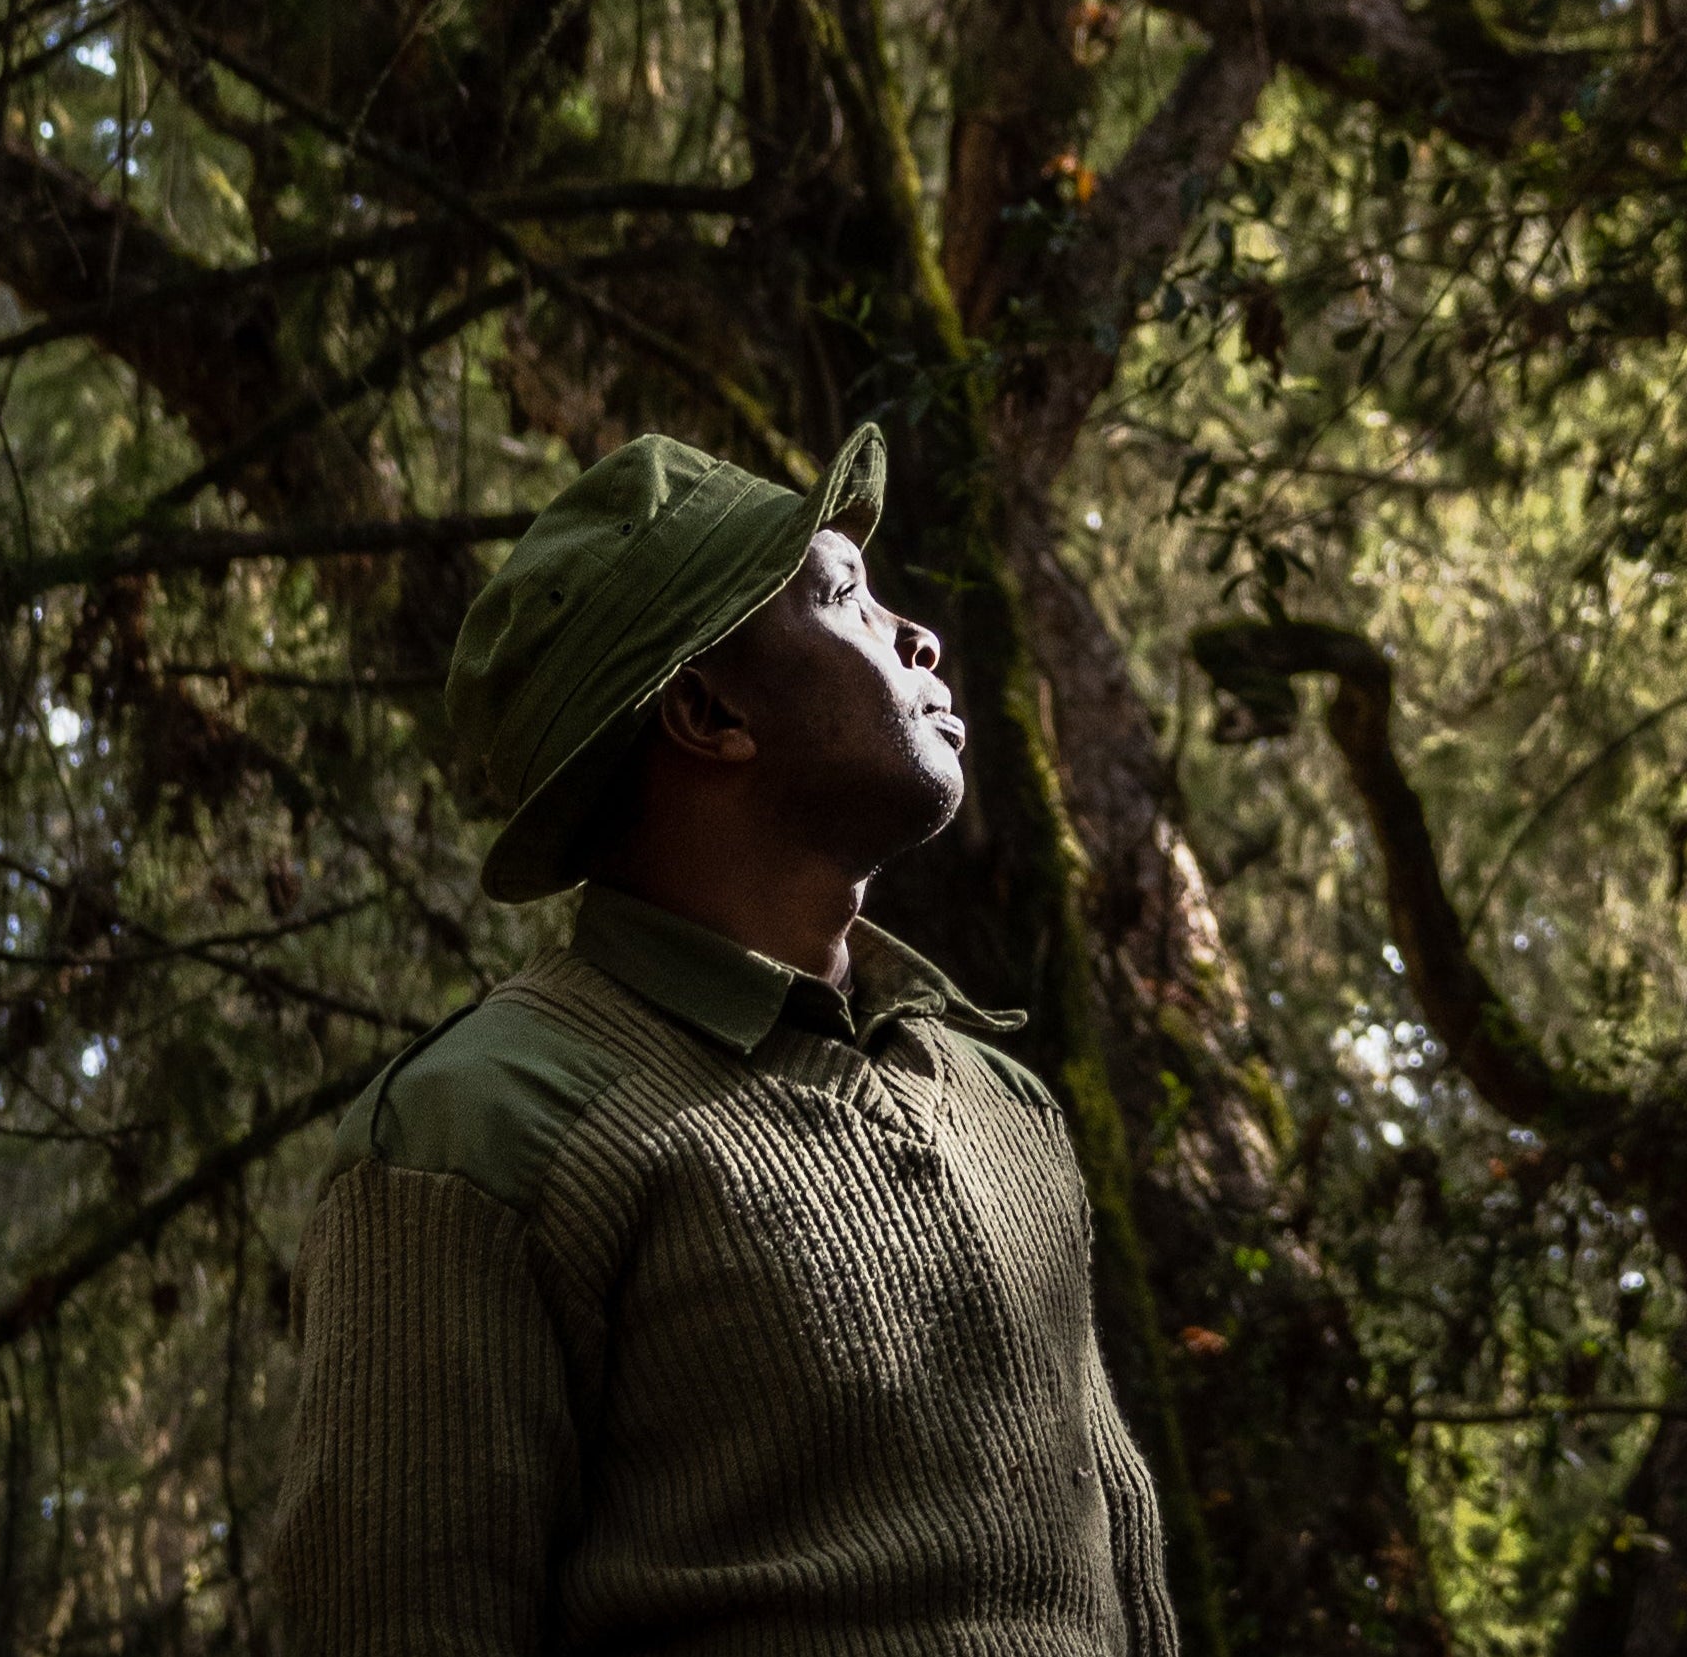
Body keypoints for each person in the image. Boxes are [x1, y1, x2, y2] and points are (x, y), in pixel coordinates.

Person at [270, 424, 1180, 1656]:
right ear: (705, 708)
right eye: (844, 596)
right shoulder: (477, 1132)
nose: (918, 635)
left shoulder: (1001, 1100)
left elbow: (1128, 1581)